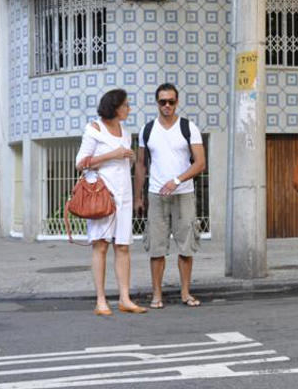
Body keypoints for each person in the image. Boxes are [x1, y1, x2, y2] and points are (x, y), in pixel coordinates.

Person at [134, 83, 206, 309]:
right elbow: (140, 165)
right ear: (157, 103)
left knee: (185, 247)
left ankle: (186, 293)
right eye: (162, 101)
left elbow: (201, 163)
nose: (167, 106)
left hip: (183, 194)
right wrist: (138, 197)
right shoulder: (147, 130)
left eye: (171, 102)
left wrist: (177, 180)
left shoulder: (188, 127)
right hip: (156, 195)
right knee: (156, 248)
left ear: (177, 102)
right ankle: (157, 295)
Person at [75, 88, 146, 316]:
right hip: (101, 195)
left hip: (123, 195)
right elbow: (80, 163)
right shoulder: (94, 129)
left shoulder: (125, 131)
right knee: (101, 246)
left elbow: (122, 162)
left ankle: (125, 298)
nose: (129, 108)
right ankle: (101, 300)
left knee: (123, 246)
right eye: (126, 105)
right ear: (115, 107)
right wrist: (111, 155)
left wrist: (130, 158)